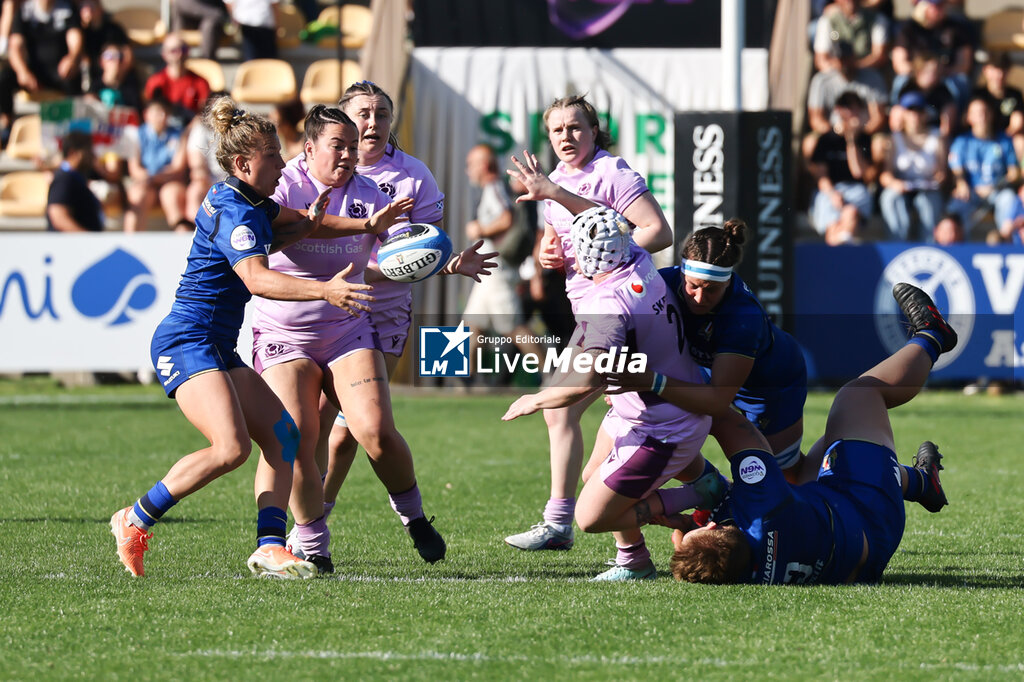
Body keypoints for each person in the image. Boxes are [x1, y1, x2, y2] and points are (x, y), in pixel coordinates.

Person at [108, 96, 409, 578]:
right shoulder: (235, 209)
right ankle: (134, 517)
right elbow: (257, 279)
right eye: (274, 156)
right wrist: (325, 291)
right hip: (187, 342)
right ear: (245, 163)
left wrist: (365, 225)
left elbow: (298, 223)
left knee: (284, 436)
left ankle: (269, 546)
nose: (282, 163)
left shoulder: (248, 199)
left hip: (214, 346)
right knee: (231, 449)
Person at [255, 104, 448, 571]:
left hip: (347, 328)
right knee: (298, 435)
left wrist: (448, 258)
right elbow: (268, 238)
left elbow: (405, 250)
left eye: (351, 146)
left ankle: (414, 517)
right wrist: (328, 224)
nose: (347, 154)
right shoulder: (284, 185)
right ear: (309, 147)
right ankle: (315, 549)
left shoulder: (369, 193)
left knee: (375, 433)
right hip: (285, 332)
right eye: (336, 145)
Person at [668, 282, 954, 585]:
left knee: (802, 468)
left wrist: (688, 528)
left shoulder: (742, 572)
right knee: (858, 396)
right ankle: (934, 335)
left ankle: (924, 483)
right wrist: (671, 398)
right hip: (867, 509)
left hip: (857, 557)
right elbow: (731, 425)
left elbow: (721, 553)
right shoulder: (761, 507)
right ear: (714, 531)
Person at [312, 80, 497, 540]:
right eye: (363, 114)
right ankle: (311, 524)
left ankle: (321, 516)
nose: (373, 123)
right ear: (343, 121)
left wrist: (452, 262)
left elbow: (422, 251)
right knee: (319, 421)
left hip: (382, 313)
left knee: (350, 428)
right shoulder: (318, 170)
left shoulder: (413, 175)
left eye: (382, 114)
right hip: (329, 310)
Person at [502, 206, 725, 581]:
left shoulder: (606, 304)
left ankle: (704, 494)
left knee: (590, 516)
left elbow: (590, 380)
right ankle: (636, 558)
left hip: (663, 428)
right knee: (594, 475)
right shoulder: (638, 259)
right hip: (650, 411)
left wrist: (536, 399)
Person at [502, 94, 673, 552]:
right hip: (591, 307)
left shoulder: (611, 173)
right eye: (557, 130)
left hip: (621, 308)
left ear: (594, 131)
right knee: (648, 421)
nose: (566, 137)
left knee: (567, 407)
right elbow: (557, 245)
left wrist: (615, 252)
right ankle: (696, 506)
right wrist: (548, 254)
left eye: (575, 127)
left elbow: (659, 232)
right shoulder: (552, 183)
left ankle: (560, 523)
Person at [606, 218, 813, 485]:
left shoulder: (742, 318)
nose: (699, 298)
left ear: (728, 283)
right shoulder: (660, 284)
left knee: (779, 472)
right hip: (702, 370)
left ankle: (827, 499)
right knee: (661, 430)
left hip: (771, 382)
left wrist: (651, 380)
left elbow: (716, 401)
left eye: (712, 290)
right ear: (681, 273)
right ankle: (709, 491)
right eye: (693, 285)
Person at [463, 143, 541, 370]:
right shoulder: (494, 188)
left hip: (496, 269)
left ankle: (551, 374)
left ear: (484, 165)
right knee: (472, 324)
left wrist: (479, 229)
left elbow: (506, 219)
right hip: (488, 270)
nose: (468, 170)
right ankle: (462, 381)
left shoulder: (494, 188)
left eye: (471, 165)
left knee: (512, 326)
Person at [0, 0, 82, 139]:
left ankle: (72, 131)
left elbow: (75, 38)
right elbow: (15, 45)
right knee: (4, 78)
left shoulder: (67, 9)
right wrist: (22, 71)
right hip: (32, 72)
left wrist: (72, 58)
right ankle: (6, 124)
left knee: (73, 78)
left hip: (59, 72)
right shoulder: (25, 11)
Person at [946, 95, 1020, 240]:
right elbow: (956, 168)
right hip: (971, 192)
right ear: (969, 117)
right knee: (955, 208)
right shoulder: (962, 141)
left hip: (998, 191)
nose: (982, 116)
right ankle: (959, 250)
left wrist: (996, 186)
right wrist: (961, 183)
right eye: (977, 113)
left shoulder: (1004, 141)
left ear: (991, 115)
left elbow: (1014, 172)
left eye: (985, 111)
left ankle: (1006, 244)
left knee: (1010, 200)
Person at [876, 91, 947, 241]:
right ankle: (896, 245)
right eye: (910, 111)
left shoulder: (937, 137)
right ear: (903, 114)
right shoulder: (894, 139)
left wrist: (932, 182)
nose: (915, 116)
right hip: (902, 188)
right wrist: (896, 184)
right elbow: (885, 175)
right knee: (890, 198)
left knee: (928, 203)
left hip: (927, 188)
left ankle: (928, 245)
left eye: (919, 111)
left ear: (925, 114)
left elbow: (942, 173)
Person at [808, 91, 877, 245]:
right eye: (847, 107)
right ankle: (838, 254)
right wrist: (833, 194)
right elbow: (821, 176)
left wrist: (851, 141)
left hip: (857, 190)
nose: (852, 112)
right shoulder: (826, 139)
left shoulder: (865, 139)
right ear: (838, 110)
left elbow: (859, 173)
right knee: (833, 226)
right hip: (829, 190)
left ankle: (839, 254)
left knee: (851, 213)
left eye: (856, 107)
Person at [804, 39, 887, 160]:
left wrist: (859, 132)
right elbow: (816, 119)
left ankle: (872, 178)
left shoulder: (872, 78)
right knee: (810, 143)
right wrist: (837, 131)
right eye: (839, 59)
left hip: (864, 134)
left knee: (880, 144)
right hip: (834, 133)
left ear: (854, 57)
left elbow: (879, 118)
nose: (843, 63)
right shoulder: (821, 80)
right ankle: (821, 178)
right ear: (832, 60)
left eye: (846, 58)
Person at [123, 96, 189, 232]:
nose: (162, 116)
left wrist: (156, 177)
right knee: (137, 196)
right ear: (146, 114)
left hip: (169, 182)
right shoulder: (136, 135)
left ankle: (184, 244)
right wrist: (148, 178)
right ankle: (130, 245)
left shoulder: (179, 135)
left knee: (172, 196)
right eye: (157, 112)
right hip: (144, 182)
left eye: (165, 112)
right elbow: (134, 169)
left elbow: (178, 168)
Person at [143, 32, 211, 123]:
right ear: (164, 54)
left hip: (191, 130)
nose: (179, 54)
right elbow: (150, 113)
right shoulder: (155, 82)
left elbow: (203, 115)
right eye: (173, 51)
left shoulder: (200, 83)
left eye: (183, 50)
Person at [46, 130, 103, 232]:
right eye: (88, 151)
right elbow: (59, 217)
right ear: (73, 153)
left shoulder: (75, 178)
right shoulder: (64, 178)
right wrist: (89, 240)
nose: (93, 156)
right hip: (69, 246)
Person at [972, 51, 1024, 163]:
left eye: (1003, 69)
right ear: (985, 70)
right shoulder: (978, 94)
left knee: (1020, 140)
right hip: (983, 136)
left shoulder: (1014, 94)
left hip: (1006, 137)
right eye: (995, 69)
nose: (999, 74)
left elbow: (1017, 122)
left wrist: (1003, 137)